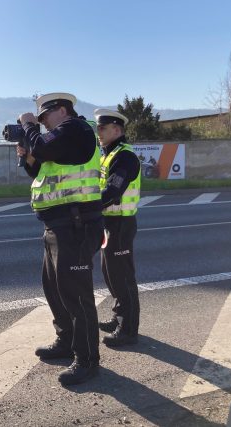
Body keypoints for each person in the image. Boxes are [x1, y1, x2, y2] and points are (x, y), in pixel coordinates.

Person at [16, 93, 104, 385]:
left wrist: (27, 126)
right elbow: (38, 170)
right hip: (56, 225)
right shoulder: (61, 140)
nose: (41, 124)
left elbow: (42, 145)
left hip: (76, 225)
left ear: (62, 110)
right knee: (54, 289)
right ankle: (66, 341)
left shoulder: (77, 129)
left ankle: (88, 359)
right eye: (37, 119)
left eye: (44, 118)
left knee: (77, 295)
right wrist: (25, 154)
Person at [94, 109, 141, 347]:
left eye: (102, 128)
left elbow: (113, 191)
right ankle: (118, 317)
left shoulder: (125, 157)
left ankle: (128, 329)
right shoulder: (107, 155)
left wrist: (88, 207)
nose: (98, 132)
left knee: (122, 277)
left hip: (121, 223)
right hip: (109, 222)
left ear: (117, 130)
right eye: (98, 128)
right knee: (111, 274)